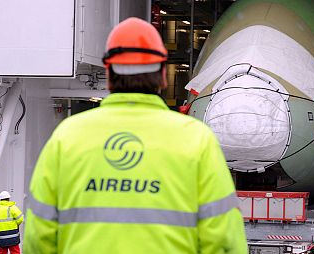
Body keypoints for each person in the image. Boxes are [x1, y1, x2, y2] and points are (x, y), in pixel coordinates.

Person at [23, 17, 247, 254]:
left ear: (109, 74)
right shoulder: (196, 140)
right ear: (163, 75)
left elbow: (38, 239)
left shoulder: (67, 138)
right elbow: (224, 242)